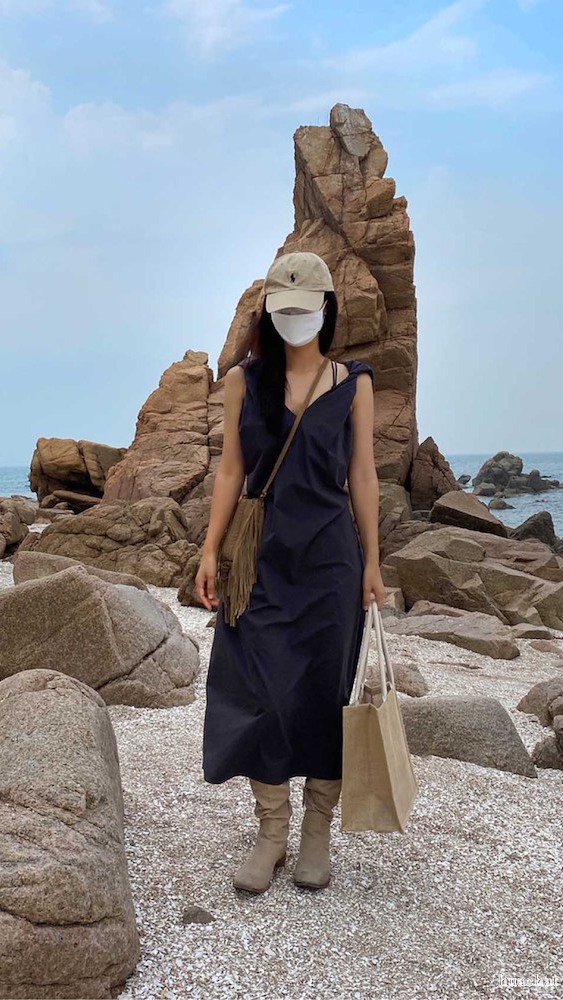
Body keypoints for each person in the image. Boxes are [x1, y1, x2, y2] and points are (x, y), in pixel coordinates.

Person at [196, 250, 385, 895]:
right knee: (261, 691)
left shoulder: (354, 383)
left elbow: (364, 476)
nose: (296, 320)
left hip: (331, 561)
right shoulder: (244, 382)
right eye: (285, 310)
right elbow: (231, 470)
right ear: (268, 313)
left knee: (325, 695)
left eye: (307, 309)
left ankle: (316, 832)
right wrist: (210, 549)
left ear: (327, 309)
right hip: (260, 559)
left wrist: (374, 563)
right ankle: (271, 830)